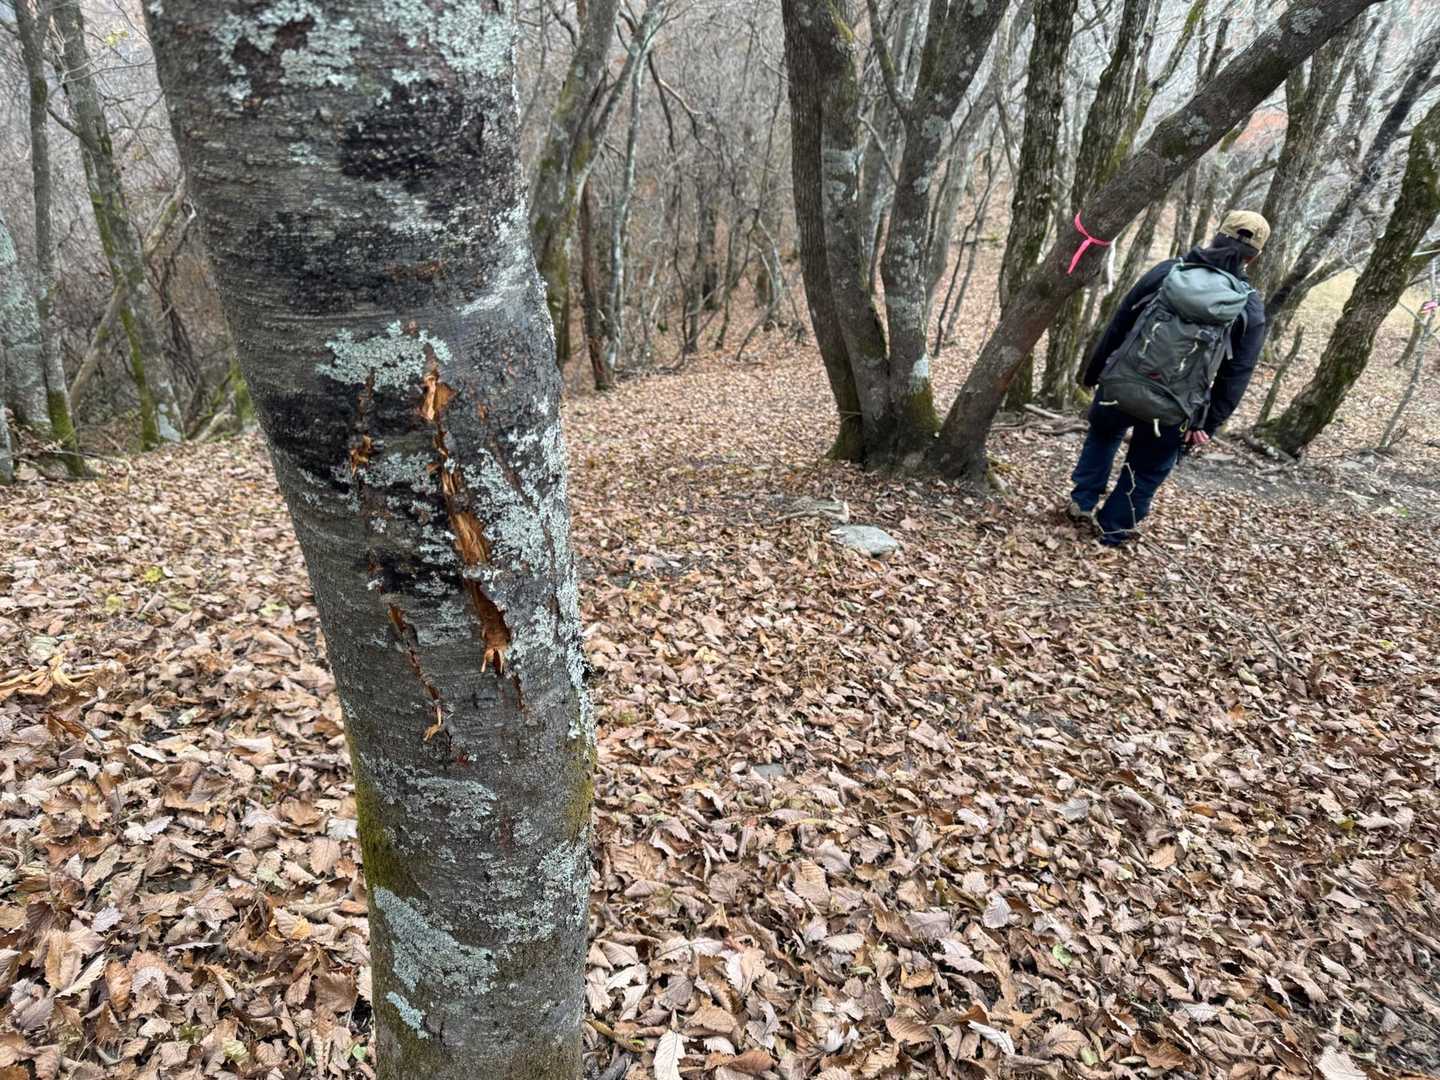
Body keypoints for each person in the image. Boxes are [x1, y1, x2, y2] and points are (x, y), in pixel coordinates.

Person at [1067, 210, 1270, 545]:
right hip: (1177, 407)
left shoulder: (1168, 271)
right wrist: (1208, 423)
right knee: (1146, 469)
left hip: (1121, 383)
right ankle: (1112, 530)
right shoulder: (1248, 306)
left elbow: (1121, 321)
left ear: (1217, 235)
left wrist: (1094, 370)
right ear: (1255, 256)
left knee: (1103, 436)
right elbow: (1236, 374)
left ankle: (1082, 501)